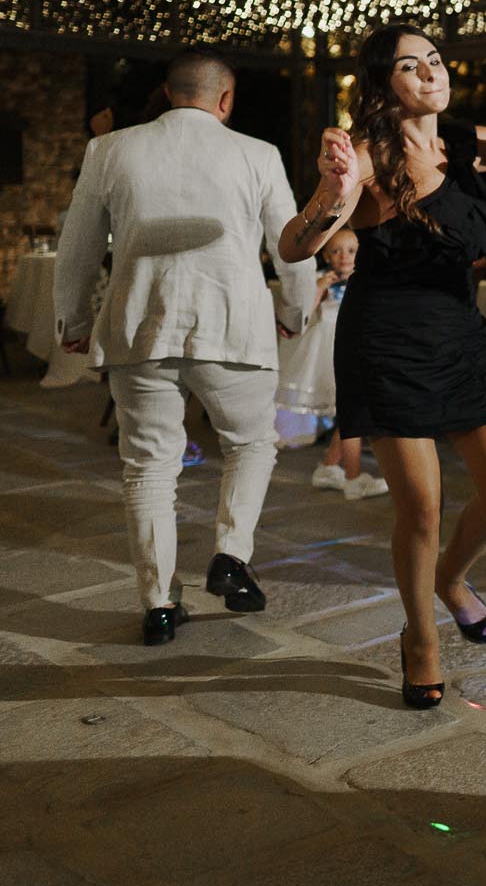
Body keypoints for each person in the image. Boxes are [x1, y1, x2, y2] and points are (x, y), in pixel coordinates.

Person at [278, 24, 486, 709]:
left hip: (460, 335)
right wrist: (333, 195)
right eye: (410, 66)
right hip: (386, 341)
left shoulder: (466, 144)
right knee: (421, 506)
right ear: (387, 83)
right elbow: (295, 244)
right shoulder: (365, 155)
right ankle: (421, 637)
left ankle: (452, 580)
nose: (429, 73)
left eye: (435, 62)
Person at [53, 48, 317, 645]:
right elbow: (291, 244)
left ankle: (158, 606)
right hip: (234, 327)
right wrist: (294, 312)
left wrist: (73, 320)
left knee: (148, 467)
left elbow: (77, 246)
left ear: (170, 93)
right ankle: (230, 554)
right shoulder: (258, 154)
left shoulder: (110, 148)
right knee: (251, 442)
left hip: (137, 327)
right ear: (226, 100)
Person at [274, 228, 386, 500]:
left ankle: (328, 466)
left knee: (352, 413)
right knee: (353, 413)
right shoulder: (323, 281)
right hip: (331, 349)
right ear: (326, 255)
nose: (344, 257)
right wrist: (321, 286)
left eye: (351, 250)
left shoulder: (366, 279)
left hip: (358, 345)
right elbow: (305, 311)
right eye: (336, 251)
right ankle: (353, 477)